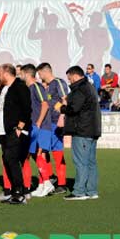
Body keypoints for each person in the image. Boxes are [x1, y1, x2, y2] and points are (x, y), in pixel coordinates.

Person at [54, 65, 102, 200]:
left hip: (82, 130)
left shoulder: (80, 89)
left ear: (74, 76)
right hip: (92, 130)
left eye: (69, 79)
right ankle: (91, 191)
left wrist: (62, 108)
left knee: (80, 161)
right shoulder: (89, 87)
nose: (69, 82)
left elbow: (74, 108)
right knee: (91, 162)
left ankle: (79, 191)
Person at [0, 64, 32, 205]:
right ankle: (13, 192)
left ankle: (20, 192)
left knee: (12, 159)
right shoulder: (3, 88)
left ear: (6, 73)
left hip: (14, 130)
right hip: (2, 131)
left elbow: (26, 108)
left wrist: (20, 126)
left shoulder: (20, 87)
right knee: (6, 160)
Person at [36, 62, 71, 195]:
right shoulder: (48, 86)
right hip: (48, 123)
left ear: (45, 72)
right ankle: (51, 178)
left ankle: (60, 183)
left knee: (55, 152)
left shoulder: (58, 82)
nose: (39, 77)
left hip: (56, 123)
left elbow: (65, 99)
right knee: (45, 151)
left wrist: (63, 116)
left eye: (40, 74)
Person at [21, 64, 52, 197]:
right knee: (33, 154)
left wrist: (38, 122)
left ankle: (47, 182)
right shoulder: (28, 88)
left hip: (41, 126)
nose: (20, 76)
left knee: (39, 154)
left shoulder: (36, 87)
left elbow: (45, 104)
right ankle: (41, 185)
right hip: (33, 126)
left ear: (27, 74)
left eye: (21, 74)